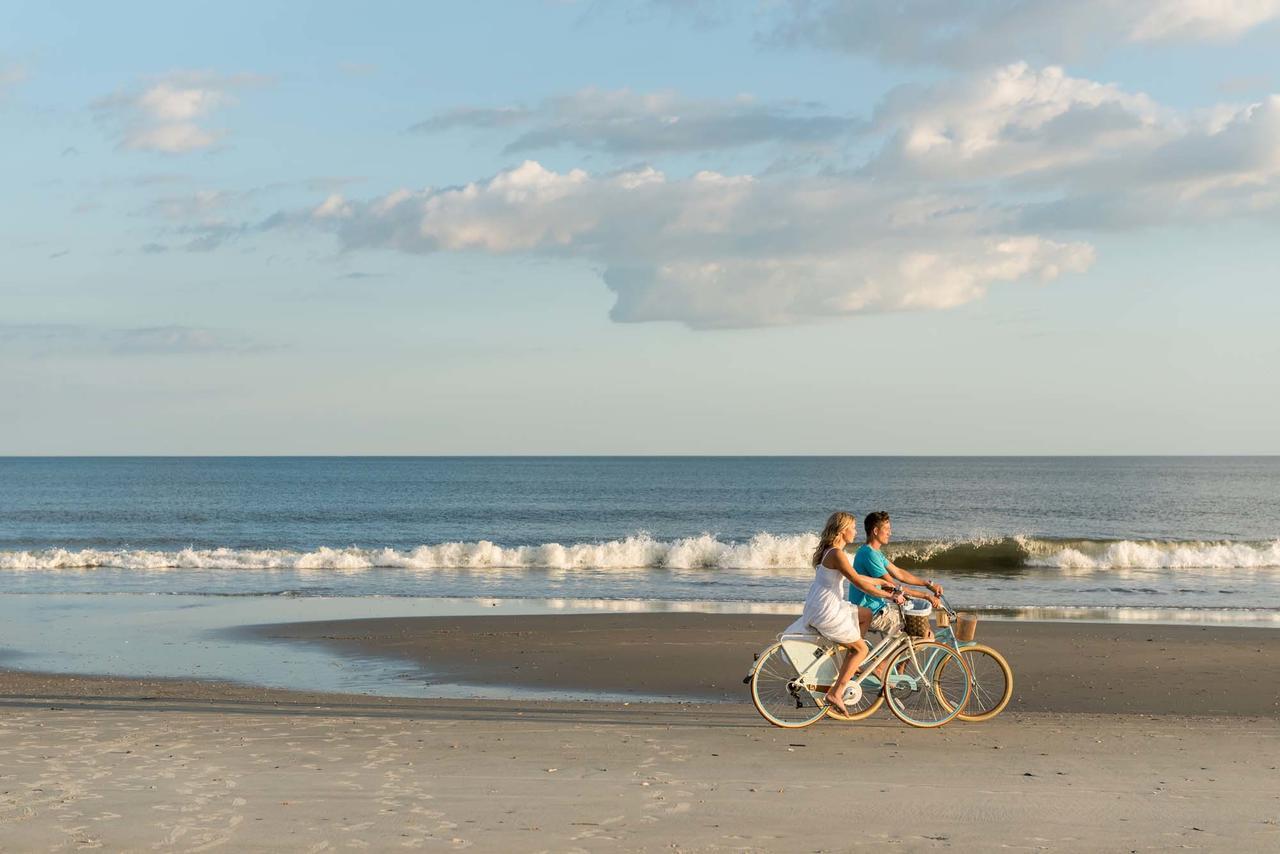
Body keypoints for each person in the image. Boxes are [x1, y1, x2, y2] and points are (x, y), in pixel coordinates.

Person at [799, 511, 906, 715]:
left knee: (865, 614)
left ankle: (851, 660)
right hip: (826, 610)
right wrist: (889, 596)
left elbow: (857, 576)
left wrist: (882, 583)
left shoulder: (832, 551)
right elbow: (858, 582)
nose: (856, 532)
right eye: (853, 528)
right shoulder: (837, 554)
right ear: (842, 530)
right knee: (861, 650)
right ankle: (836, 692)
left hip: (822, 605)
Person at [850, 511, 944, 643]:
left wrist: (928, 584)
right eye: (887, 529)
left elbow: (899, 573)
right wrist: (926, 596)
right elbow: (892, 585)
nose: (890, 533)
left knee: (909, 639)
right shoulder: (869, 554)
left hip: (878, 608)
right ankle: (892, 664)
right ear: (876, 531)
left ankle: (890, 663)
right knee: (923, 634)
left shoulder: (875, 552)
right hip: (873, 612)